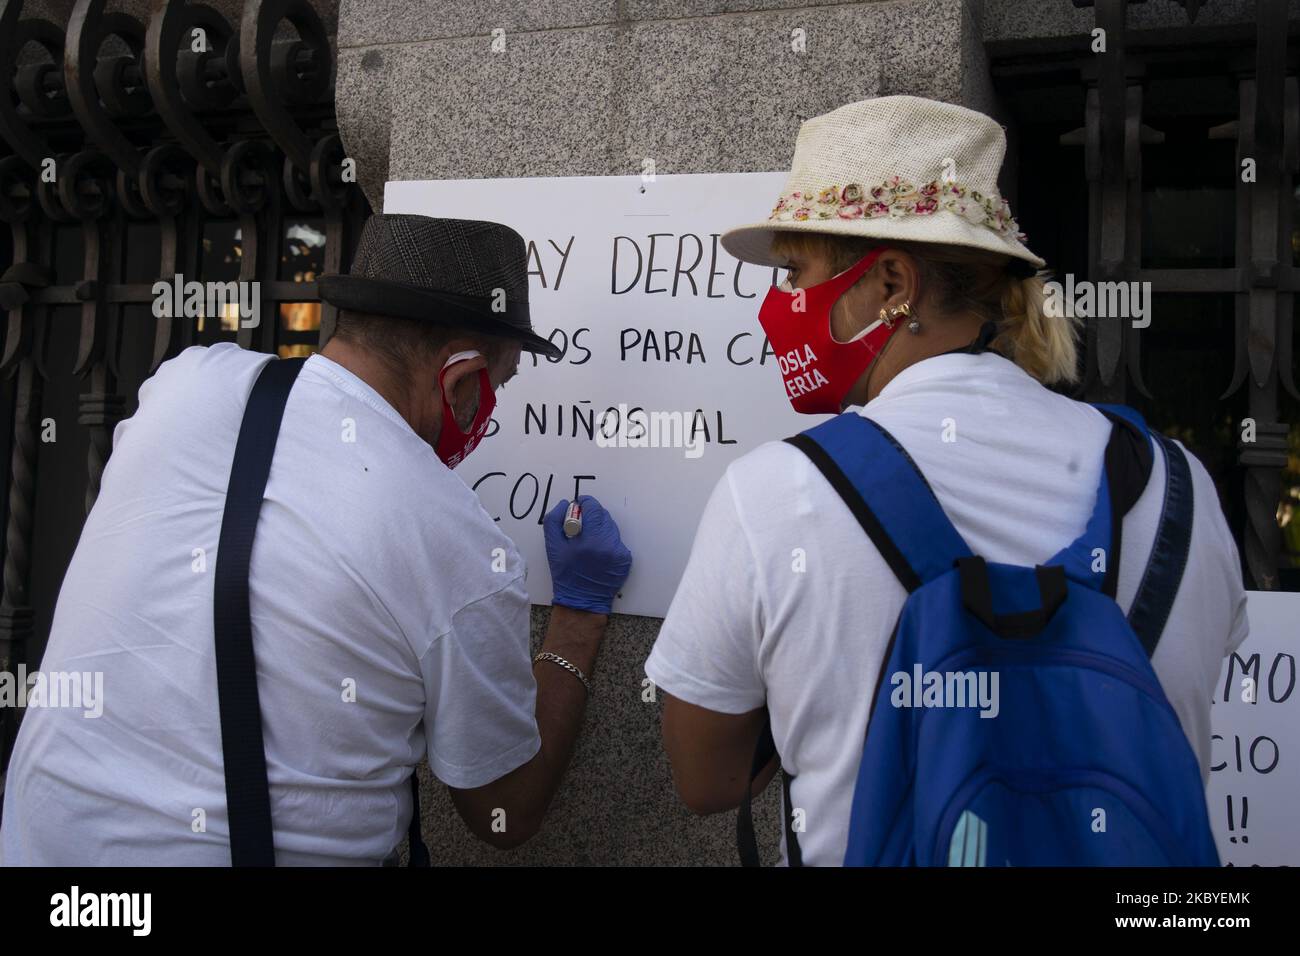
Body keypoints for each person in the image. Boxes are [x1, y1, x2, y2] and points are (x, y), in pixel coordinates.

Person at [645, 95, 1249, 866]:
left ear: (893, 281)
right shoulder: (1182, 488)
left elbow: (707, 780)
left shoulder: (773, 494)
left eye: (794, 273)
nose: (777, 308)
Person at [0, 214, 631, 865]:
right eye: (497, 387)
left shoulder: (185, 384)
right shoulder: (457, 541)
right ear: (461, 379)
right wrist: (579, 614)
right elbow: (505, 810)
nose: (487, 409)